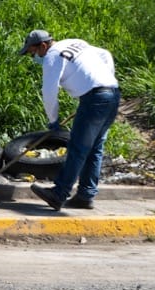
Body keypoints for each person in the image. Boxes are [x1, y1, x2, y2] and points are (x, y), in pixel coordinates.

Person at [18, 29, 120, 210]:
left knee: (77, 148)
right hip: (112, 94)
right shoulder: (74, 42)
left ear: (43, 45)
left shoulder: (52, 56)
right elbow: (105, 54)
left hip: (94, 98)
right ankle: (85, 195)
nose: (34, 57)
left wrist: (53, 120)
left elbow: (49, 92)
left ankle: (58, 194)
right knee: (95, 148)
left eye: (34, 53)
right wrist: (106, 80)